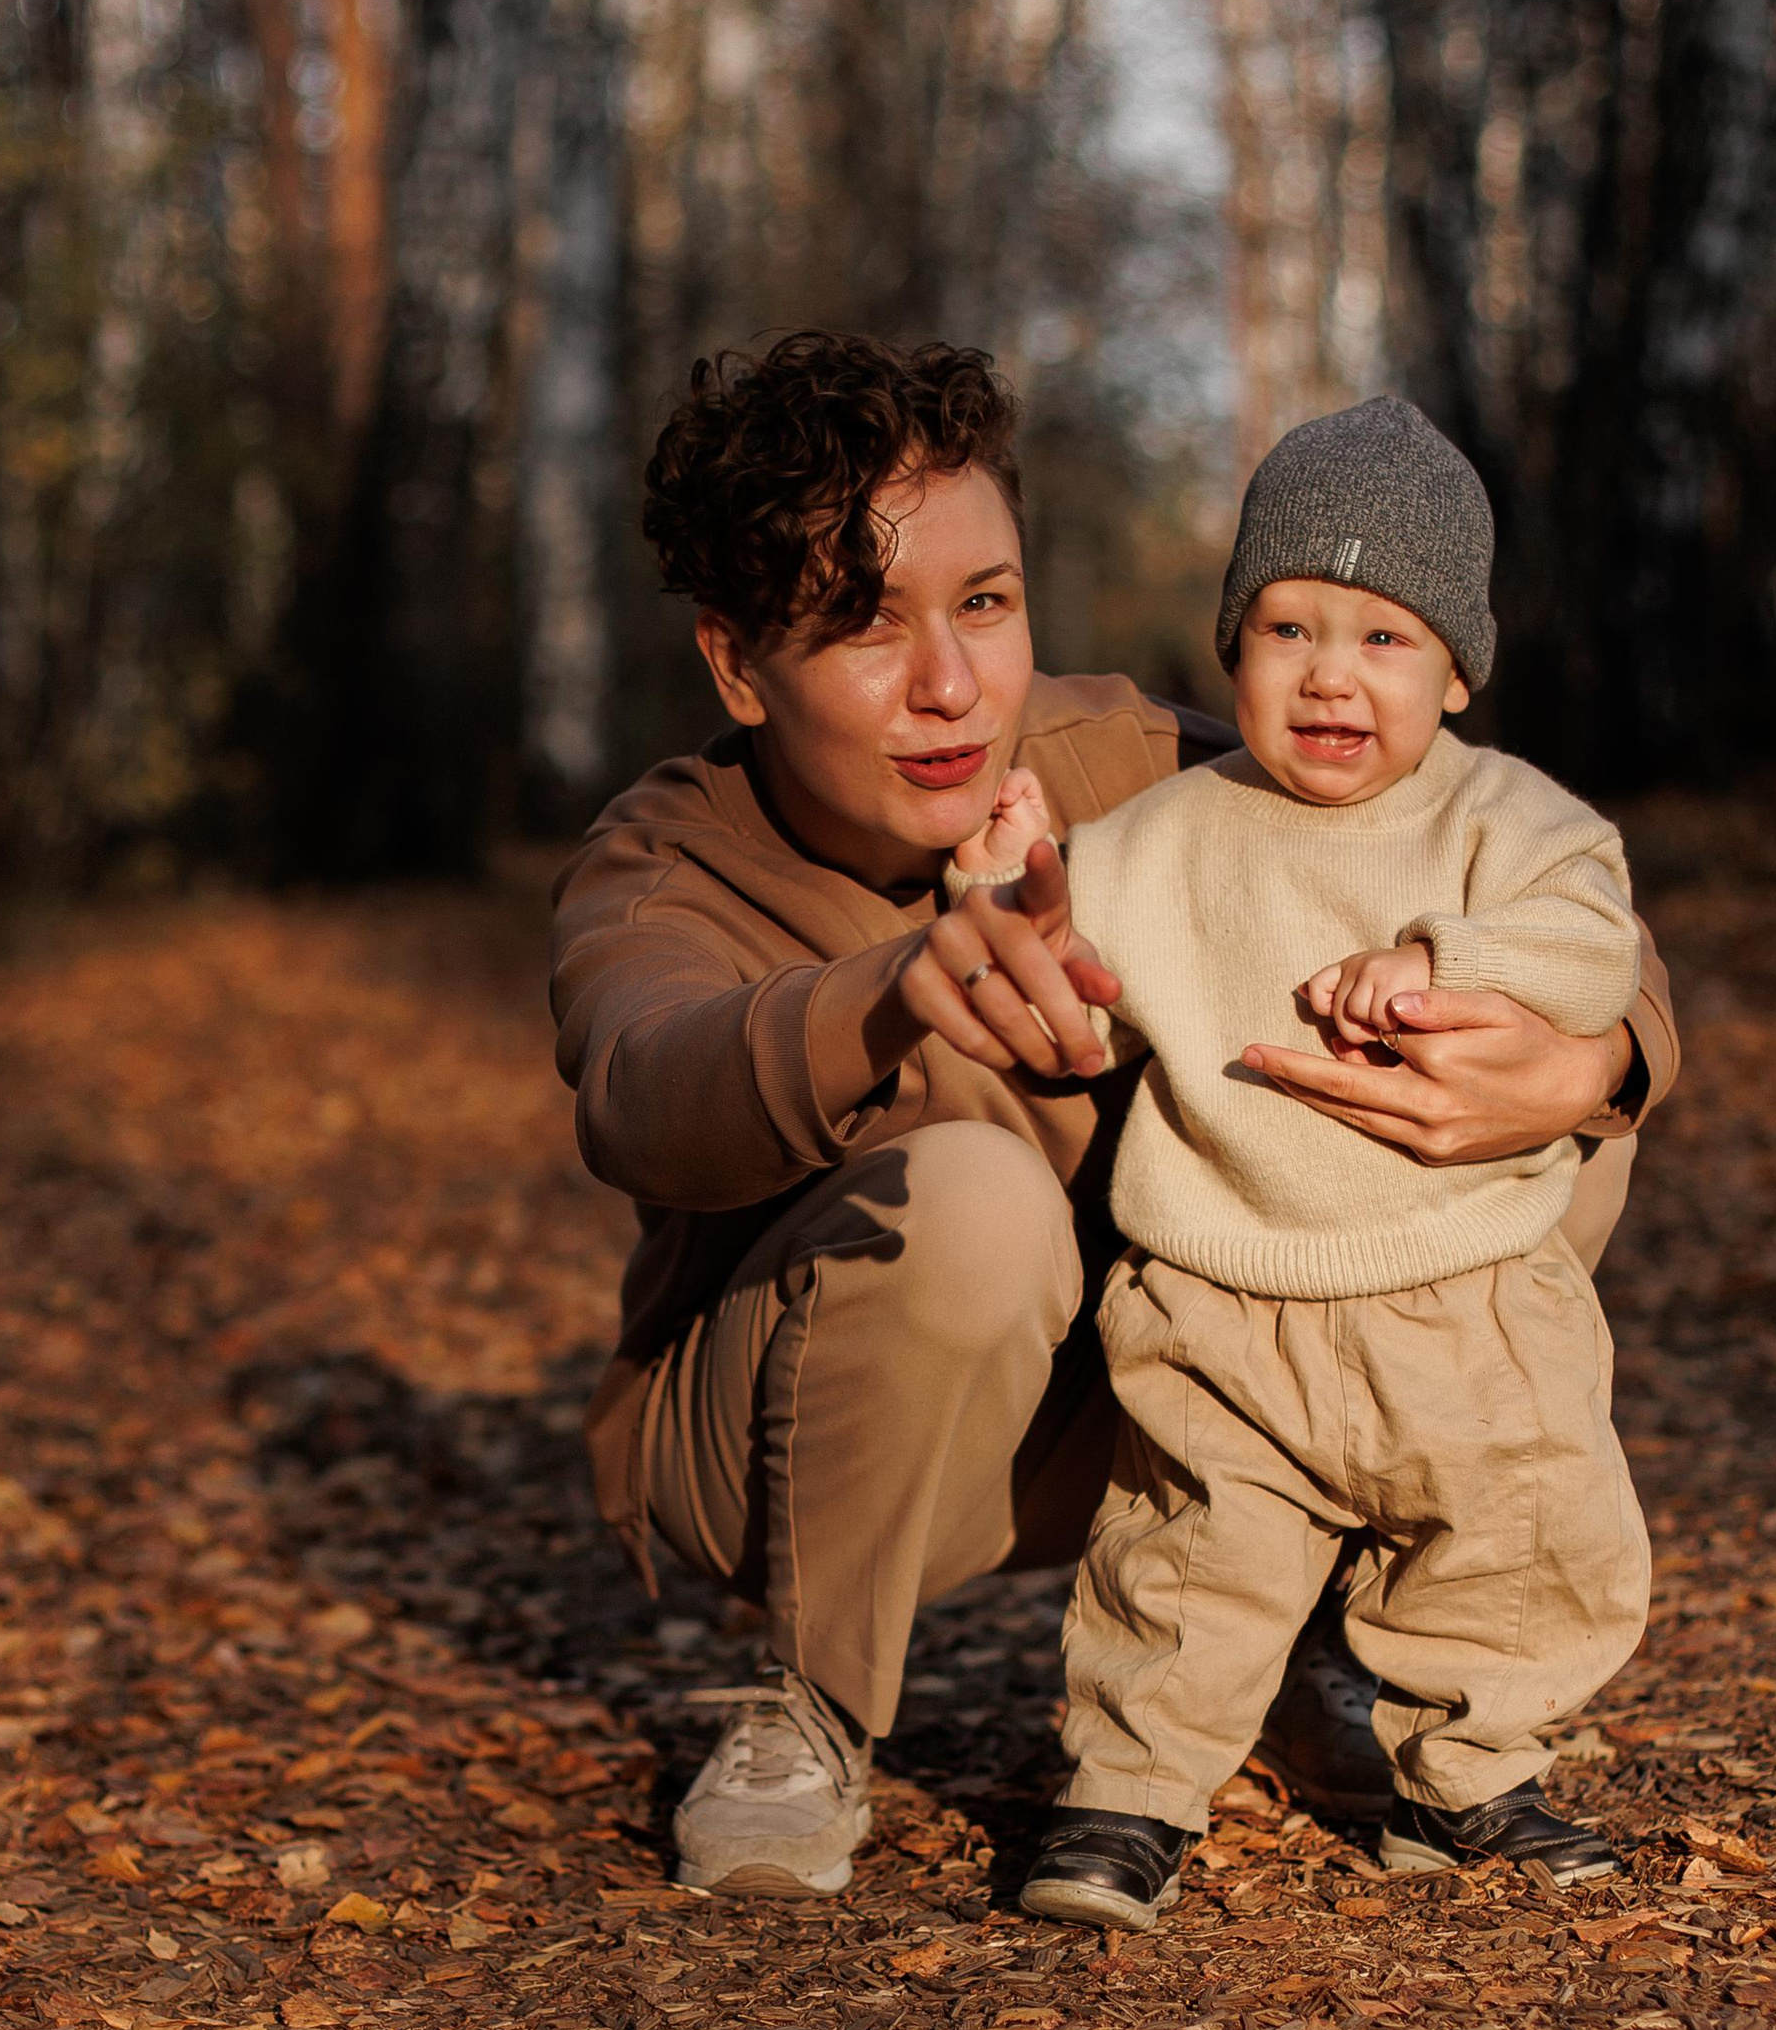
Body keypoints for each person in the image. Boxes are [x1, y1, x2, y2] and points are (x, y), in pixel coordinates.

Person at [548, 332, 1679, 1900]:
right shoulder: (666, 864)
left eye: (985, 604)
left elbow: (1486, 840)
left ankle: (1312, 1626)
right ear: (738, 665)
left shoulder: (1132, 765)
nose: (952, 687)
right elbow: (642, 1090)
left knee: (1525, 1123)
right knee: (970, 1199)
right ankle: (810, 1703)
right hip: (779, 1444)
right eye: (866, 624)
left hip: (1160, 1380)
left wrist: (1599, 1062)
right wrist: (896, 991)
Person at [953, 397, 1648, 1930]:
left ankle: (1467, 1781)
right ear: (1236, 650)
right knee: (1184, 1561)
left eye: (1383, 637)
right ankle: (1128, 1801)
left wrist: (1446, 958)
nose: (1331, 673)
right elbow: (1070, 992)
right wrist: (1009, 879)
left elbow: (1594, 947)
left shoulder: (1511, 822)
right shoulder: (1166, 837)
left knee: (1517, 1543)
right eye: (1288, 629)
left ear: (1456, 669)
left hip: (1471, 1297)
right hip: (1222, 1300)